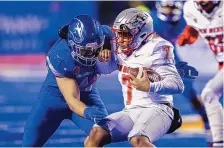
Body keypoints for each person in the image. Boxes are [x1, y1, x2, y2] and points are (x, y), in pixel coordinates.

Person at [85, 8, 184, 147]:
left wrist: (150, 86)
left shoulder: (157, 48)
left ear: (142, 34)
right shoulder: (119, 46)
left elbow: (177, 84)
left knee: (138, 139)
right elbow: (105, 69)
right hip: (131, 111)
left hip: (158, 108)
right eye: (118, 34)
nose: (120, 40)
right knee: (96, 134)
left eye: (125, 35)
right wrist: (102, 56)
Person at [22, 15, 117, 146]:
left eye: (96, 49)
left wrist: (106, 47)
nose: (92, 55)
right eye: (86, 51)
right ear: (72, 45)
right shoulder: (60, 56)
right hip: (54, 100)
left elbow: (115, 37)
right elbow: (72, 101)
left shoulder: (104, 34)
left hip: (87, 93)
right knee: (29, 144)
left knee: (102, 133)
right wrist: (89, 112)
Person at [152, 0, 209, 130]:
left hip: (171, 57)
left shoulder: (186, 18)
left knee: (190, 90)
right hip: (149, 59)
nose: (170, 11)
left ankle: (206, 117)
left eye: (172, 8)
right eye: (166, 7)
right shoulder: (149, 19)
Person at [177, 0, 223, 147]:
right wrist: (188, 35)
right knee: (209, 94)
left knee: (209, 93)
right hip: (222, 64)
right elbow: (195, 26)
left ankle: (218, 142)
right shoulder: (190, 8)